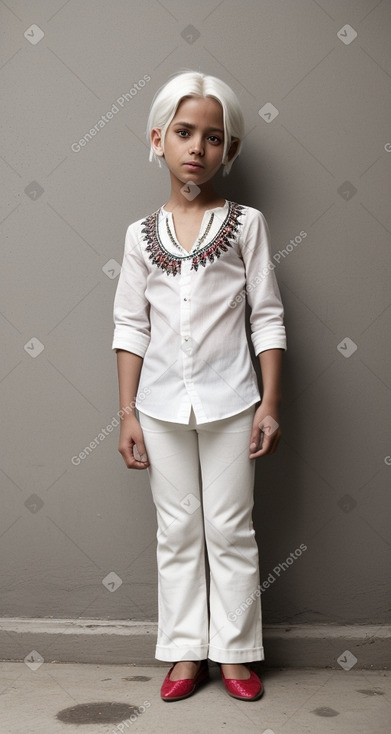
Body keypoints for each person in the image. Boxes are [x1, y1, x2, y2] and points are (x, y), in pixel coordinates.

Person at [112, 70, 287, 702]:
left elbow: (266, 315)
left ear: (229, 151)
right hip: (158, 407)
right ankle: (186, 652)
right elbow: (130, 325)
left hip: (233, 402)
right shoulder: (139, 236)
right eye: (184, 133)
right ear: (158, 138)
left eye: (213, 138)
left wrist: (269, 402)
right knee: (178, 530)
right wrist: (127, 413)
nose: (197, 148)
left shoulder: (246, 225)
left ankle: (236, 652)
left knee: (230, 527)